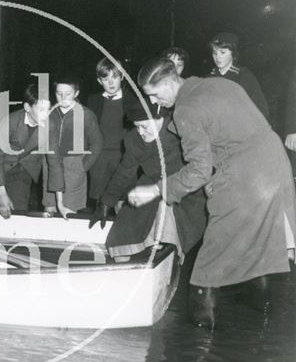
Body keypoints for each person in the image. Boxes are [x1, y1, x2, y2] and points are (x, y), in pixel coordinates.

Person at [136, 57, 296, 329]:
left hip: (245, 177)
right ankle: (269, 324)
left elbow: (199, 171)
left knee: (208, 262)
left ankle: (198, 343)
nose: (154, 103)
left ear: (166, 84)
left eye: (154, 95)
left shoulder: (185, 110)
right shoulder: (220, 83)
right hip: (275, 166)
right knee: (263, 246)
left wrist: (155, 189)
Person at [90, 96, 207, 264]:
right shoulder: (133, 140)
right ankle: (125, 269)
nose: (141, 133)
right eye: (137, 128)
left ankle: (168, 260)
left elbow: (201, 166)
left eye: (144, 127)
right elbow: (124, 172)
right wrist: (105, 203)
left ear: (160, 119)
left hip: (185, 189)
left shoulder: (181, 131)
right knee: (124, 227)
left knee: (166, 214)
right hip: (149, 184)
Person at [0, 83, 51, 218]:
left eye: (48, 109)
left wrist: (50, 200)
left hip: (24, 168)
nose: (46, 114)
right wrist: (2, 194)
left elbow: (50, 162)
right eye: (41, 109)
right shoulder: (9, 122)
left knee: (18, 212)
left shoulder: (51, 126)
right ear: (27, 107)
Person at [44, 74, 103, 215]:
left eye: (68, 94)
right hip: (50, 164)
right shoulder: (48, 113)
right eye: (59, 94)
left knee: (68, 212)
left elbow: (97, 143)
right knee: (49, 209)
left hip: (74, 164)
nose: (63, 98)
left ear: (76, 93)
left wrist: (83, 166)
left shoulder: (86, 115)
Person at [87, 58, 130, 208]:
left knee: (122, 203)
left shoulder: (132, 101)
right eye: (106, 78)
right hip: (99, 159)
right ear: (99, 81)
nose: (111, 83)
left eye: (115, 77)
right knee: (100, 204)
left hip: (124, 159)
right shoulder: (92, 101)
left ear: (122, 77)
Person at [207, 32, 269, 120]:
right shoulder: (208, 78)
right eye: (214, 52)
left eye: (222, 52)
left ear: (233, 53)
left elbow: (262, 109)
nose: (218, 57)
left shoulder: (244, 76)